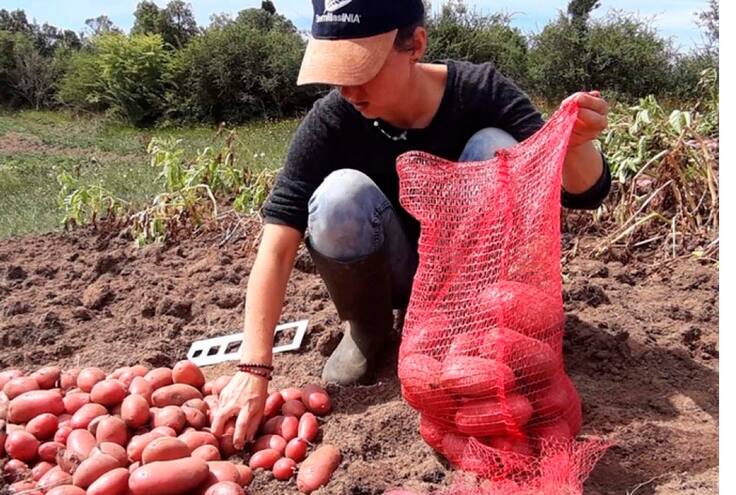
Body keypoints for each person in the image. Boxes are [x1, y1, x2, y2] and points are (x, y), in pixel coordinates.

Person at [210, 0, 612, 450]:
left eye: (362, 69)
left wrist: (576, 144)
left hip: (476, 281)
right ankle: (369, 326)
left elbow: (584, 192)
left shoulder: (481, 92)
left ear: (415, 44)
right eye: (338, 70)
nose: (347, 89)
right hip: (394, 275)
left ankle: (479, 332)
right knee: (338, 194)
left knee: (494, 146)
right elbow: (277, 242)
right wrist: (253, 369)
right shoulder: (333, 120)